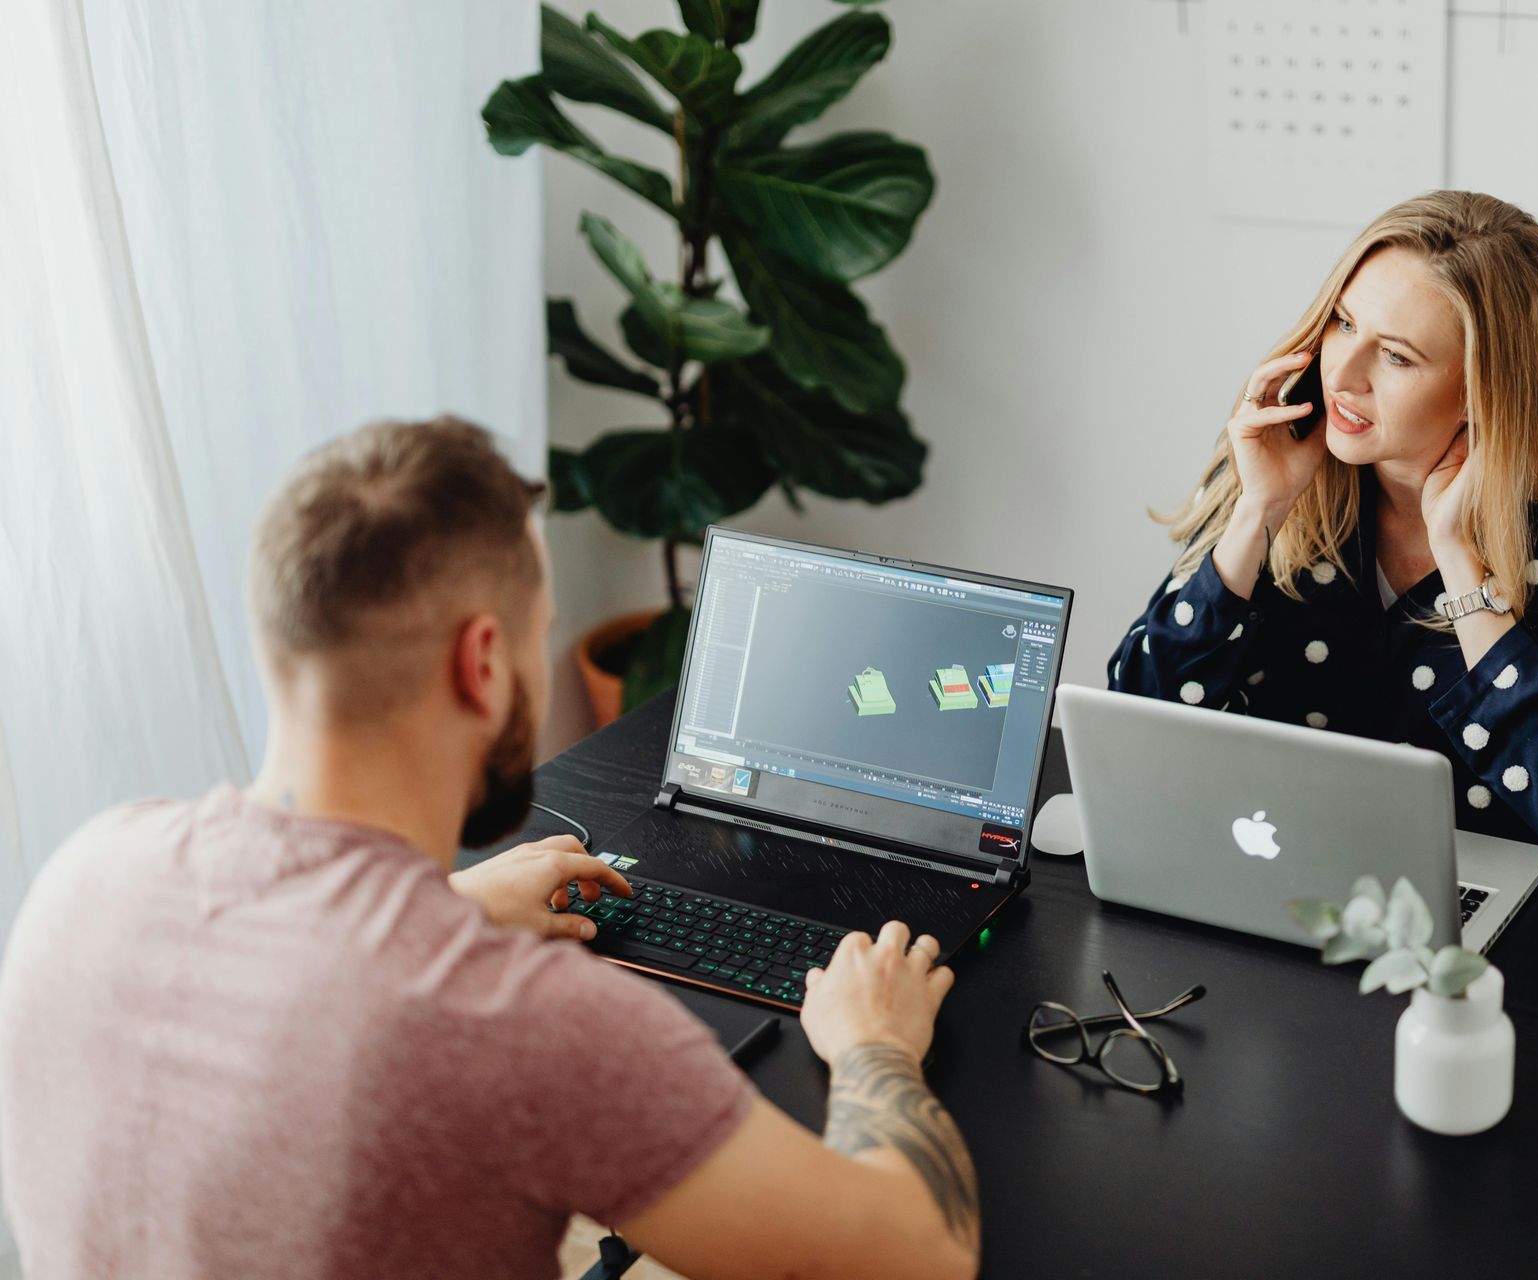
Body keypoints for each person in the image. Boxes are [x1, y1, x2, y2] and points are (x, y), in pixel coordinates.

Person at [0, 419, 979, 1279]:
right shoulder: (524, 1025)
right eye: (535, 638)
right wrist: (872, 1047)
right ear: (480, 661)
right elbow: (918, 1252)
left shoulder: (86, 873)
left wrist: (450, 904)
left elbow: (292, 969)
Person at [1110, 190, 1538, 853]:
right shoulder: (1285, 441)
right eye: (1343, 324)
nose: (1342, 373)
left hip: (1485, 916)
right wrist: (1258, 512)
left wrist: (1460, 560)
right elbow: (1135, 729)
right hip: (1277, 872)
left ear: (1484, 388)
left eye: (1396, 356)